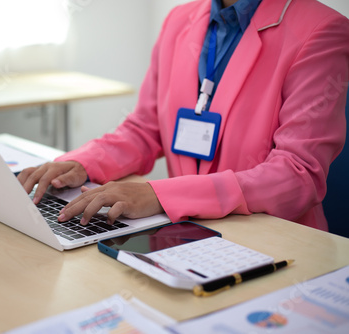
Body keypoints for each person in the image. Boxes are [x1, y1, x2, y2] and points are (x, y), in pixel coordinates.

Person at [18, 0, 349, 231]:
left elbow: (296, 175)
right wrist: (85, 163)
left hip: (273, 240)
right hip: (186, 234)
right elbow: (145, 129)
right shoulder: (180, 19)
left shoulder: (321, 30)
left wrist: (162, 196)